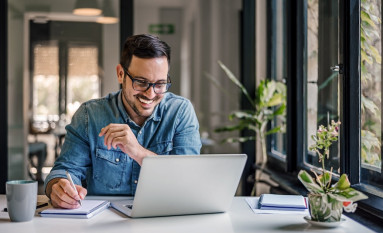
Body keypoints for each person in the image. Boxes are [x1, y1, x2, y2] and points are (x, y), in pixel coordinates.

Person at [44, 34, 202, 209]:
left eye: (160, 84)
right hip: (103, 221)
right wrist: (59, 188)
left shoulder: (180, 112)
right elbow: (65, 170)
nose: (150, 94)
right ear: (121, 74)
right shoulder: (90, 115)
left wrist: (138, 152)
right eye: (141, 82)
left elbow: (188, 180)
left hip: (163, 216)